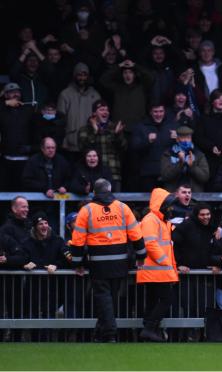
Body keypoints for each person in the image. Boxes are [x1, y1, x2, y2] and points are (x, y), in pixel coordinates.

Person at [68, 178, 145, 343]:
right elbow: (136, 235)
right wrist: (140, 257)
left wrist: (77, 263)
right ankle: (101, 333)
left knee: (104, 298)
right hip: (120, 262)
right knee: (111, 299)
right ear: (110, 190)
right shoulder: (123, 207)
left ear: (94, 192)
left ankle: (109, 333)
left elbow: (78, 240)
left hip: (98, 262)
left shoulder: (86, 210)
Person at [137, 188, 179, 342]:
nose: (171, 209)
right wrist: (165, 262)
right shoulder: (151, 220)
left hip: (157, 271)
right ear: (161, 205)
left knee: (154, 301)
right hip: (156, 271)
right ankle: (149, 329)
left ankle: (149, 331)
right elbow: (150, 243)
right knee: (166, 299)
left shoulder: (160, 221)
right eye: (169, 206)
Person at [77, 100, 128, 190]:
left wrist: (117, 135)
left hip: (113, 173)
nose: (105, 112)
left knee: (114, 202)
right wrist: (95, 132)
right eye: (101, 110)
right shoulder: (85, 129)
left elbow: (124, 148)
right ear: (94, 113)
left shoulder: (114, 128)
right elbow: (83, 149)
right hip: (92, 173)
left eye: (107, 110)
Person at [131, 102, 178, 191]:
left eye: (161, 111)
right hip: (148, 173)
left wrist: (178, 139)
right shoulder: (141, 126)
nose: (158, 114)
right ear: (150, 112)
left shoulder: (173, 125)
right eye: (155, 112)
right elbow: (134, 147)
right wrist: (147, 141)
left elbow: (185, 146)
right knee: (150, 202)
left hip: (168, 172)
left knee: (167, 202)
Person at [57, 62, 102, 154]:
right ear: (74, 76)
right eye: (79, 75)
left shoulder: (95, 95)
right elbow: (59, 122)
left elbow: (100, 120)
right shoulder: (65, 94)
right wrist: (63, 140)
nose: (82, 78)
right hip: (71, 142)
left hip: (90, 143)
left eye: (85, 75)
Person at [0, 82, 34, 191]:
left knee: (23, 188)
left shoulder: (27, 110)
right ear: (5, 96)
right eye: (11, 92)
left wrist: (31, 148)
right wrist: (4, 104)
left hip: (24, 158)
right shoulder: (2, 110)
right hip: (6, 158)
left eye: (17, 92)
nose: (15, 94)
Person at [160, 126, 210, 192]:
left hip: (193, 197)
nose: (186, 140)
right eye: (183, 138)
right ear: (177, 139)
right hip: (174, 196)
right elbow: (165, 176)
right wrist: (180, 163)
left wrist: (192, 166)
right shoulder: (168, 154)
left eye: (188, 138)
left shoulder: (198, 154)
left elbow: (204, 177)